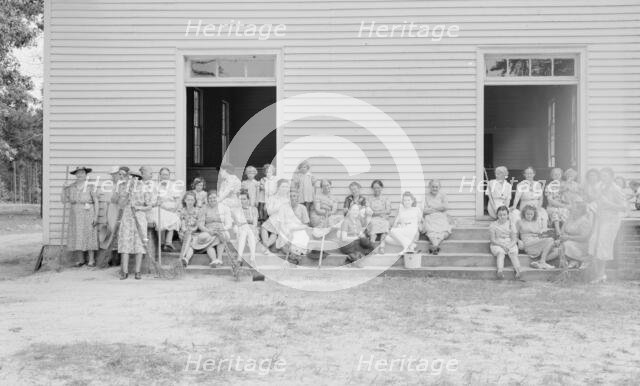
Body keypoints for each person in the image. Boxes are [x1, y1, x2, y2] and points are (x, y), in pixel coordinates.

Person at [588, 168, 627, 283]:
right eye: (602, 176)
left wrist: (608, 203)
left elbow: (623, 207)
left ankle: (600, 275)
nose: (603, 178)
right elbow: (596, 199)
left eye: (605, 176)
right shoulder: (600, 186)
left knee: (603, 246)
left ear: (611, 177)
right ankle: (597, 274)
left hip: (611, 221)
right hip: (600, 218)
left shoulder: (616, 189)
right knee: (593, 242)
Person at [62, 166, 99, 267]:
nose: (80, 175)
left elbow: (96, 201)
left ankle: (91, 260)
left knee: (89, 234)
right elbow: (63, 200)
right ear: (75, 175)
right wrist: (63, 189)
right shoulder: (71, 187)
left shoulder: (90, 186)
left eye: (82, 173)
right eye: (78, 173)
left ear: (85, 174)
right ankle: (80, 259)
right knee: (77, 234)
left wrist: (96, 216)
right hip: (75, 214)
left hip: (88, 212)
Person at [117, 171, 152, 280]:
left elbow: (149, 206)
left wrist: (139, 208)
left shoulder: (145, 188)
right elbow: (120, 205)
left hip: (139, 216)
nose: (133, 180)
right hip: (127, 217)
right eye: (131, 178)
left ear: (139, 179)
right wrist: (127, 194)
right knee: (125, 242)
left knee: (139, 243)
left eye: (136, 178)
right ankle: (125, 271)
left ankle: (138, 271)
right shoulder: (123, 188)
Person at [190, 190, 233, 267]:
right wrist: (209, 231)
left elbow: (229, 223)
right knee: (205, 237)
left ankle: (218, 259)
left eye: (214, 197)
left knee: (222, 235)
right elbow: (200, 224)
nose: (212, 199)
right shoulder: (204, 208)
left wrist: (222, 228)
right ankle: (215, 260)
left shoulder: (224, 207)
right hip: (209, 230)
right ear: (207, 199)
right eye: (210, 198)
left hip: (221, 229)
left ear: (218, 198)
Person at [96, 166, 128, 267]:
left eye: (117, 175)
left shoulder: (126, 185)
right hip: (113, 210)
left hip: (123, 210)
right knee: (112, 232)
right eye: (113, 175)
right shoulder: (110, 186)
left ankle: (120, 257)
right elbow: (111, 201)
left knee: (121, 232)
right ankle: (112, 257)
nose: (115, 177)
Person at [516, 205, 557, 270]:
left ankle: (538, 262)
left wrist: (545, 236)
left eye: (531, 214)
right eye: (527, 214)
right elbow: (515, 235)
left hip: (537, 241)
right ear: (524, 213)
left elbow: (540, 235)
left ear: (534, 214)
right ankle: (543, 262)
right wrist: (518, 241)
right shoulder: (520, 222)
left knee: (557, 251)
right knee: (550, 240)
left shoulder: (536, 222)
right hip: (528, 243)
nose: (529, 216)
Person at [153, 167, 182, 252]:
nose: (165, 176)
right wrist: (162, 206)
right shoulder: (156, 187)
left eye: (166, 175)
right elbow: (155, 200)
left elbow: (177, 201)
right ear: (160, 176)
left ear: (169, 176)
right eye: (163, 175)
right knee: (162, 219)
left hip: (172, 209)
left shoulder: (174, 186)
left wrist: (173, 209)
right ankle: (162, 243)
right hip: (160, 208)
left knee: (174, 218)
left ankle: (168, 243)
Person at [489, 206, 522, 280]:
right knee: (500, 253)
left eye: (504, 215)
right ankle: (500, 271)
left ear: (507, 215)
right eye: (500, 215)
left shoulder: (511, 224)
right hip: (498, 243)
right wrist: (502, 246)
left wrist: (509, 246)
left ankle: (517, 271)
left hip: (509, 242)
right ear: (497, 215)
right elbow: (492, 240)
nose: (502, 217)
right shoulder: (493, 225)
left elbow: (514, 239)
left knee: (513, 253)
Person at [558, 201, 593, 269]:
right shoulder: (570, 218)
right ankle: (573, 261)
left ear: (581, 210)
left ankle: (581, 260)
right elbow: (563, 230)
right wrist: (563, 236)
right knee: (560, 246)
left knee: (566, 245)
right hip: (567, 240)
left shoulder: (584, 221)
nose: (572, 210)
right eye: (572, 208)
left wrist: (568, 237)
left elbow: (584, 238)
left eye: (575, 208)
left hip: (580, 244)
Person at [422, 179, 453, 255]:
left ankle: (434, 246)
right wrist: (438, 208)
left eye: (436, 187)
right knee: (431, 232)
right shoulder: (426, 196)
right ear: (429, 187)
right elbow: (424, 211)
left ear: (439, 187)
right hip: (430, 217)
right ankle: (436, 246)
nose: (434, 188)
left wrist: (432, 208)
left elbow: (445, 207)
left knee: (444, 231)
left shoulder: (442, 195)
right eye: (433, 187)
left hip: (440, 217)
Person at [232, 190, 259, 266]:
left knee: (249, 232)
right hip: (239, 230)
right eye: (240, 199)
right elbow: (238, 223)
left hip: (251, 230)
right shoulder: (236, 210)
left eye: (244, 199)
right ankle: (252, 259)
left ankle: (240, 259)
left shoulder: (254, 209)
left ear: (248, 199)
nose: (242, 201)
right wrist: (247, 222)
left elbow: (255, 223)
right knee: (244, 232)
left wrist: (245, 223)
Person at [178, 191, 201, 266]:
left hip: (195, 232)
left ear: (195, 201)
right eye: (188, 200)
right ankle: (184, 258)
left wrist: (192, 230)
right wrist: (185, 229)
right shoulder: (182, 210)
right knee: (189, 238)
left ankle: (184, 259)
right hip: (184, 233)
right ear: (185, 200)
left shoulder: (198, 211)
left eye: (192, 200)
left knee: (192, 243)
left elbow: (198, 224)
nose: (190, 202)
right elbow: (182, 223)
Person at [545, 168, 570, 236]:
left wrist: (565, 191)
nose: (557, 176)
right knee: (555, 211)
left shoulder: (565, 185)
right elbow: (550, 201)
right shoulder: (549, 186)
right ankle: (558, 231)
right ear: (552, 176)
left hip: (564, 206)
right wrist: (563, 205)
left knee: (565, 211)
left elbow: (568, 199)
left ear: (561, 175)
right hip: (553, 206)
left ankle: (563, 231)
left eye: (558, 174)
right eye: (555, 174)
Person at [366, 180, 392, 246]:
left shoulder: (386, 198)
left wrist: (376, 213)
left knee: (386, 224)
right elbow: (369, 212)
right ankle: (372, 244)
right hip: (373, 219)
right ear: (372, 189)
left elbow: (388, 211)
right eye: (374, 188)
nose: (376, 189)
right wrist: (381, 213)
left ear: (381, 188)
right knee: (373, 224)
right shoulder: (369, 199)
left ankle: (382, 245)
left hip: (383, 218)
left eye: (378, 187)